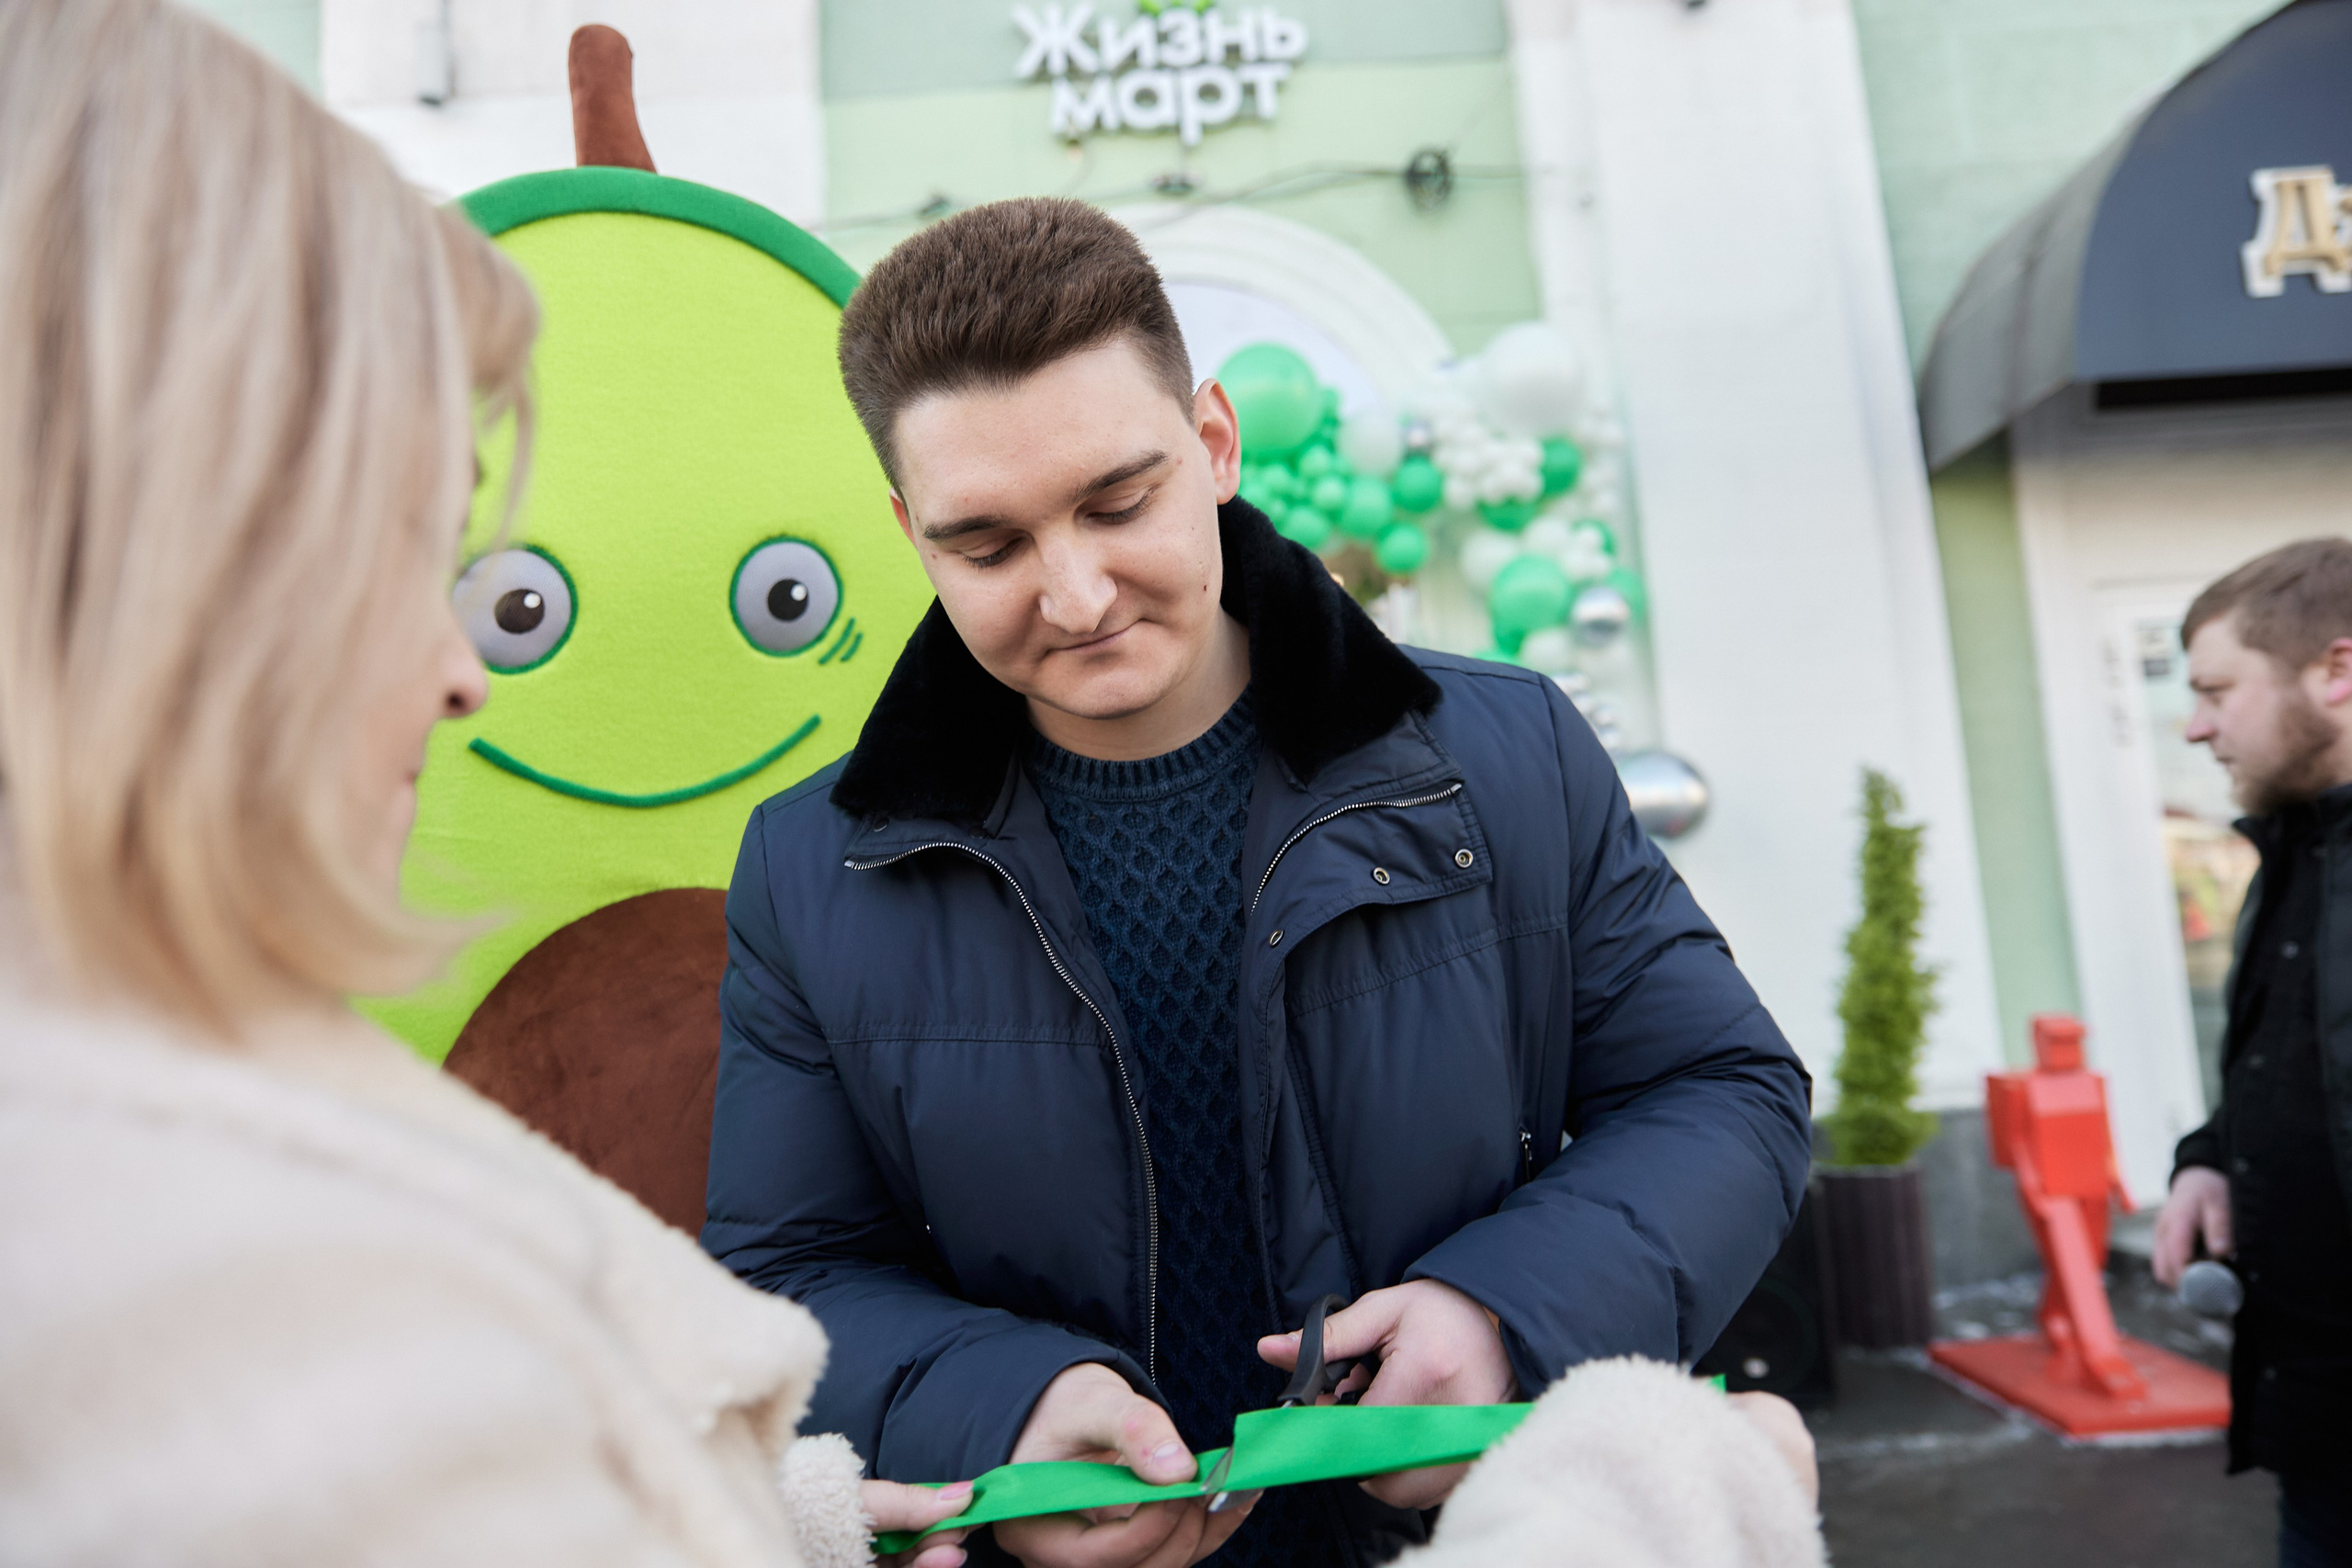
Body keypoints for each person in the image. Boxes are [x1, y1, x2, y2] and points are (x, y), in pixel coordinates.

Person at [703, 197, 1815, 1568]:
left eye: (1119, 501)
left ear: (1214, 443)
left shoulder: (1510, 751)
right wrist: (1003, 1405)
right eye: (986, 545)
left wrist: (1506, 1311)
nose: (1075, 591)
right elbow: (787, 1274)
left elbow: (1721, 1089)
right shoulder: (810, 864)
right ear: (908, 528)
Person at [0, 4, 972, 1562]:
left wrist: (765, 1508)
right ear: (162, 548)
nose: (460, 674)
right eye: (407, 547)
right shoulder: (175, 1274)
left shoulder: (199, 1089)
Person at [2156, 538, 2352, 1568]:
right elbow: (2294, 1067)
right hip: (2318, 1433)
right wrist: (2207, 1155)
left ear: (2336, 670)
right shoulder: (2293, 855)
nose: (2194, 726)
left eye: (2215, 691)